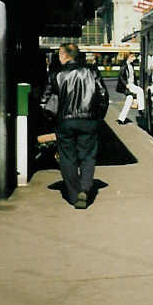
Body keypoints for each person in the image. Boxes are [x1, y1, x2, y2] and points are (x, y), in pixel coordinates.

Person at [39, 43, 109, 209]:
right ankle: (85, 188)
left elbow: (44, 101)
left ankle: (74, 194)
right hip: (89, 121)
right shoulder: (92, 72)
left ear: (63, 56)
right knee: (88, 156)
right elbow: (104, 97)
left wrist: (52, 120)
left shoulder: (56, 75)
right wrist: (98, 119)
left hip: (65, 122)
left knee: (67, 158)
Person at [116, 53, 145, 125]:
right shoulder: (124, 66)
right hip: (129, 85)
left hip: (132, 85)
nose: (134, 58)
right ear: (129, 57)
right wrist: (126, 84)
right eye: (133, 57)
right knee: (140, 91)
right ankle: (141, 108)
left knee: (128, 101)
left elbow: (133, 77)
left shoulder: (131, 65)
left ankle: (121, 119)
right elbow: (120, 76)